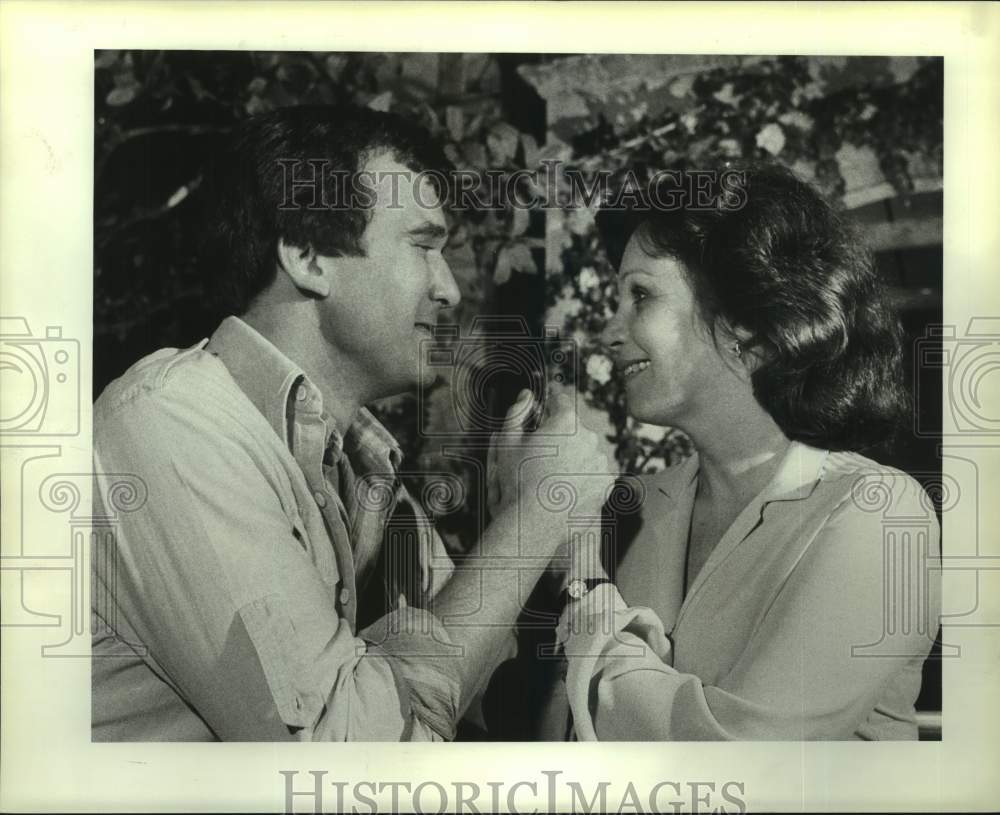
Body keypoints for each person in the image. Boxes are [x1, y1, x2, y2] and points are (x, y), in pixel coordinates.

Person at [90, 104, 615, 741]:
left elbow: (480, 694)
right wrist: (536, 517)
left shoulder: (360, 466)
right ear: (308, 256)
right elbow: (346, 764)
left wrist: (524, 525)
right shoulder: (174, 429)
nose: (448, 288)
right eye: (422, 246)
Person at [545, 164, 942, 740]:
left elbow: (744, 762)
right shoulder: (640, 505)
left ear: (748, 325)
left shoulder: (877, 513)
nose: (609, 330)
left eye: (641, 295)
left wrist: (578, 576)